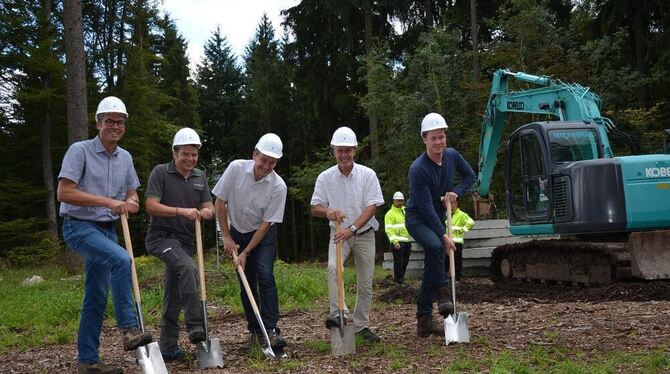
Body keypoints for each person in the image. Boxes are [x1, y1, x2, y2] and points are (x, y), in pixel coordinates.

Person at [57, 96, 153, 374]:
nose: (115, 125)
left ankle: (87, 361)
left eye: (119, 121)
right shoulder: (80, 151)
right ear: (98, 123)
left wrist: (132, 200)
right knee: (122, 260)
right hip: (78, 226)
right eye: (109, 121)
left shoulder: (125, 158)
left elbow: (131, 191)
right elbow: (64, 192)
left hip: (108, 229)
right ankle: (129, 329)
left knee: (96, 296)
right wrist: (108, 202)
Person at [213, 133, 288, 353]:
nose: (267, 166)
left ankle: (271, 330)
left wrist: (246, 251)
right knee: (246, 283)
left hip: (262, 236)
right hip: (237, 231)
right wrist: (227, 237)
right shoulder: (236, 169)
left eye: (272, 162)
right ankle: (256, 332)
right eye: (263, 159)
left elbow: (266, 225)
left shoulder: (278, 186)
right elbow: (220, 201)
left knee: (265, 274)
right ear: (254, 154)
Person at [144, 127, 215, 361]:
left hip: (187, 241)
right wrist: (179, 211)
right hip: (161, 237)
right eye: (185, 154)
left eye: (194, 155)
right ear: (174, 153)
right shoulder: (161, 173)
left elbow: (209, 206)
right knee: (187, 268)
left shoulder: (200, 177)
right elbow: (151, 206)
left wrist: (206, 212)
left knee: (174, 292)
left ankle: (168, 346)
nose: (190, 159)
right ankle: (196, 326)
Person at [405, 112, 476, 338]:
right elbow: (425, 208)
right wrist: (443, 235)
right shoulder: (418, 169)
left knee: (433, 261)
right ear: (424, 139)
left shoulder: (452, 156)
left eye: (442, 137)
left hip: (438, 216)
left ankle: (424, 319)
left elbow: (470, 176)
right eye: (433, 138)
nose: (438, 142)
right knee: (436, 247)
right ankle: (443, 292)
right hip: (417, 219)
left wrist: (456, 192)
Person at [310, 126, 385, 343]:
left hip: (363, 234)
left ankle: (361, 325)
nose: (344, 155)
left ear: (355, 150)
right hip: (338, 235)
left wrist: (351, 229)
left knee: (365, 282)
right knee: (334, 268)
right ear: (333, 151)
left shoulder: (367, 175)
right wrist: (328, 211)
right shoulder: (325, 178)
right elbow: (315, 207)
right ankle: (339, 315)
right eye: (340, 150)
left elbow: (372, 207)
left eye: (348, 150)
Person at [384, 191, 412, 284]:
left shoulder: (405, 211)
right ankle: (398, 281)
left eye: (402, 201)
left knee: (405, 262)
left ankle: (401, 279)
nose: (400, 202)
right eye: (398, 201)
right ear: (394, 201)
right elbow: (389, 229)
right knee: (398, 263)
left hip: (407, 241)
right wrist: (395, 241)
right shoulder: (389, 214)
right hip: (398, 242)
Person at [444, 198, 475, 282]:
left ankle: (457, 278)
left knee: (457, 260)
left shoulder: (461, 214)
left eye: (452, 203)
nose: (450, 205)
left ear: (456, 203)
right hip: (447, 242)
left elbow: (471, 222)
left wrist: (463, 229)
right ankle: (445, 278)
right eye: (449, 203)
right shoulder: (446, 214)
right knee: (445, 260)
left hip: (457, 242)